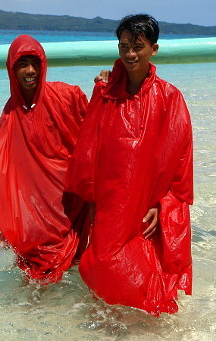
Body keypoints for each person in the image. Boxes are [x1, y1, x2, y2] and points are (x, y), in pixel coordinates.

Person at [65, 14, 193, 316]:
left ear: (154, 49)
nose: (130, 53)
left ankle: (144, 328)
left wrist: (164, 204)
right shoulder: (107, 92)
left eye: (138, 46)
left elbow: (181, 158)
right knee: (102, 267)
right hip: (110, 199)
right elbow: (89, 147)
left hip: (146, 201)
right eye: (124, 46)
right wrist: (91, 195)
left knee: (144, 269)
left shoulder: (169, 98)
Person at [0, 34, 91, 284]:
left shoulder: (67, 96)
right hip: (36, 220)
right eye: (22, 64)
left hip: (72, 208)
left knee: (78, 275)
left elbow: (98, 134)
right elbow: (6, 173)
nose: (30, 71)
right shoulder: (9, 116)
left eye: (35, 63)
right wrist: (8, 225)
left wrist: (108, 86)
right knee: (33, 281)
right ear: (11, 69)